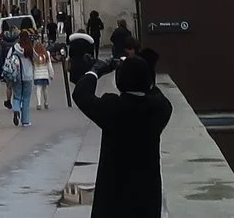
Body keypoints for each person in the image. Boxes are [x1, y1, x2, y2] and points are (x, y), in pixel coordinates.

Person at [73, 54, 172, 218]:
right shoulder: (160, 108)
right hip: (147, 193)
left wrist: (95, 71)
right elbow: (154, 91)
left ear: (119, 82)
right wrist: (143, 70)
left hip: (113, 195)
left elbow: (81, 94)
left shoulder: (112, 108)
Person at [3, 37, 34, 127]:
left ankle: (16, 110)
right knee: (26, 99)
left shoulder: (13, 48)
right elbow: (36, 57)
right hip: (28, 76)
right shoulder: (29, 49)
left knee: (17, 96)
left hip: (16, 75)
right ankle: (25, 121)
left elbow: (8, 59)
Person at [33, 36, 53, 110]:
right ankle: (46, 102)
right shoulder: (46, 54)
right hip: (45, 75)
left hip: (37, 75)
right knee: (45, 89)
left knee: (38, 88)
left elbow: (32, 66)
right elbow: (49, 65)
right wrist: (51, 74)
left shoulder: (35, 56)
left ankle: (38, 103)